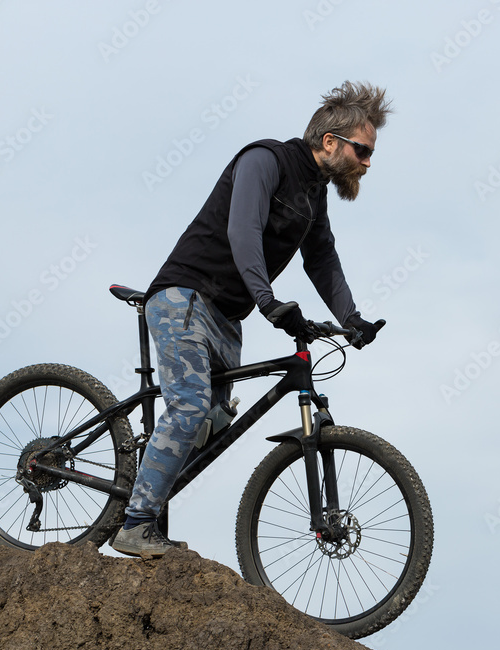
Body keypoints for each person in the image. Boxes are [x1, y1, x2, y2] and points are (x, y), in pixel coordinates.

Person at [111, 80, 392, 558]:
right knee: (191, 406)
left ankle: (145, 487)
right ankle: (135, 524)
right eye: (363, 150)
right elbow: (244, 229)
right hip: (185, 299)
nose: (368, 162)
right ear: (330, 142)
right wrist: (268, 299)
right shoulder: (265, 160)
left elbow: (321, 259)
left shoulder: (313, 195)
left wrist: (352, 319)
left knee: (214, 424)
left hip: (226, 319)